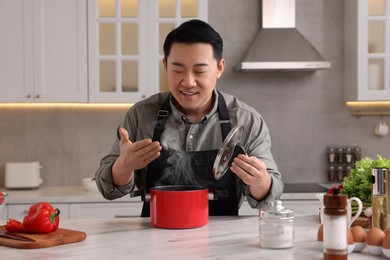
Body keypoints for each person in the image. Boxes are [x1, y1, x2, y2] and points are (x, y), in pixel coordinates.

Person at [95, 19, 283, 217]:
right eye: (177, 70)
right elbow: (106, 187)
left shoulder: (247, 121)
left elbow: (272, 196)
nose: (188, 82)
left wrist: (260, 181)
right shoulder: (141, 115)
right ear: (165, 65)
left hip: (222, 241)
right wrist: (123, 167)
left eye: (200, 71)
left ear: (219, 68)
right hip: (155, 238)